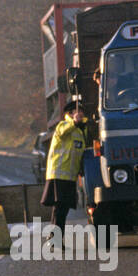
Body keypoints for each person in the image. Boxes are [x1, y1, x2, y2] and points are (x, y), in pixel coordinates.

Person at [41, 97, 89, 238]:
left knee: (63, 209)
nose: (80, 113)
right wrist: (74, 122)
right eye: (76, 111)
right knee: (60, 208)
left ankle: (54, 236)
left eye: (82, 111)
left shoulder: (81, 131)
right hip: (59, 174)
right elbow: (63, 132)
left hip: (70, 176)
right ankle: (55, 238)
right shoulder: (63, 126)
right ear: (70, 113)